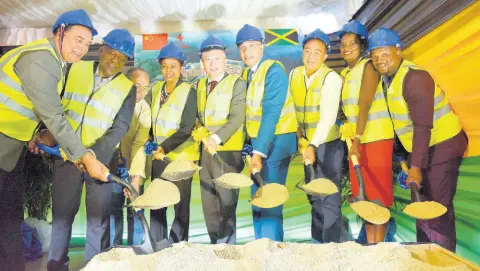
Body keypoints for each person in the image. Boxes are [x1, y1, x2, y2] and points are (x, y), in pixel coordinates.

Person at [0, 9, 107, 271]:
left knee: (9, 217)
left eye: (87, 43)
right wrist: (85, 157)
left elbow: (29, 107)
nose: (82, 48)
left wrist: (35, 135)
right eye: (77, 39)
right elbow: (54, 115)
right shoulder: (41, 60)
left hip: (12, 148)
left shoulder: (54, 60)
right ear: (60, 32)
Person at [369, 27, 468, 252]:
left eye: (384, 53)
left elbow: (423, 127)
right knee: (421, 206)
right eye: (375, 56)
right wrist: (405, 158)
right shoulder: (389, 79)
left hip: (443, 144)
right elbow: (403, 124)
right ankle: (424, 254)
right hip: (424, 147)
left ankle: (442, 261)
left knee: (436, 208)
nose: (379, 60)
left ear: (398, 50)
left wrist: (416, 167)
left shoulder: (415, 77)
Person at [47, 29, 136, 269]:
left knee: (98, 221)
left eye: (122, 57)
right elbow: (55, 107)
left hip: (101, 162)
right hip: (67, 157)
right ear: (101, 49)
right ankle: (56, 265)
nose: (115, 59)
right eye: (112, 52)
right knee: (62, 218)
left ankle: (95, 266)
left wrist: (92, 156)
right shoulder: (75, 68)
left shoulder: (128, 88)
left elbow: (120, 128)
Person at [236, 24, 297, 241]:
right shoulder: (247, 73)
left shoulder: (274, 71)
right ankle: (260, 247)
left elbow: (271, 115)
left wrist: (258, 153)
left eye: (252, 46)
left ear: (262, 47)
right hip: (258, 144)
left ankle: (273, 251)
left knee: (269, 197)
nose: (247, 52)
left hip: (277, 143)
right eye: (242, 48)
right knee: (257, 196)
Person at [338, 21, 395, 243]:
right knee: (365, 196)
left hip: (376, 139)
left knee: (377, 196)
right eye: (343, 44)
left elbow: (365, 104)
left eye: (352, 43)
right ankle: (371, 245)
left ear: (362, 45)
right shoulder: (345, 73)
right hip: (357, 142)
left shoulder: (369, 66)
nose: (347, 48)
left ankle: (378, 247)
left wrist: (358, 138)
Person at [290, 29, 344, 243]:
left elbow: (328, 117)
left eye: (317, 52)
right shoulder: (295, 74)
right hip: (307, 145)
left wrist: (312, 145)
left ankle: (332, 247)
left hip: (328, 145)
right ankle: (317, 243)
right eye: (307, 51)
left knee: (329, 196)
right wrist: (301, 139)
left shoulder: (331, 78)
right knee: (314, 195)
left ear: (325, 55)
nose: (311, 56)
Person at [196, 35, 246, 244]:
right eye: (208, 59)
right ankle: (214, 247)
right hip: (205, 154)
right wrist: (199, 131)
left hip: (228, 152)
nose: (213, 64)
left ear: (226, 60)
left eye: (217, 59)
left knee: (226, 204)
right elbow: (198, 117)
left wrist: (215, 138)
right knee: (209, 205)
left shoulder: (237, 83)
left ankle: (228, 249)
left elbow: (237, 117)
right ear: (202, 63)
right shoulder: (199, 85)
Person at [150, 42, 199, 243]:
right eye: (165, 66)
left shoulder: (189, 91)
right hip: (158, 157)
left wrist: (164, 146)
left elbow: (187, 127)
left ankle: (178, 247)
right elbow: (151, 122)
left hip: (181, 158)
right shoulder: (156, 89)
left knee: (180, 206)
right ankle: (157, 244)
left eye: (173, 66)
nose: (168, 71)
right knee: (157, 202)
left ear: (181, 68)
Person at [109, 67, 152, 246]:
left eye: (145, 87)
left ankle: (136, 252)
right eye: (137, 86)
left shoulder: (144, 108)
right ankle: (113, 251)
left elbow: (140, 144)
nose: (141, 91)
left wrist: (134, 178)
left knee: (135, 210)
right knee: (113, 211)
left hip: (134, 166)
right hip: (109, 167)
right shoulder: (111, 102)